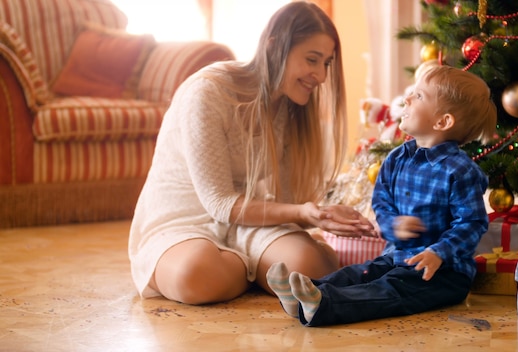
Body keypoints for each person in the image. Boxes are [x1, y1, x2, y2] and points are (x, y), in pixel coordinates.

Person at [128, 1, 376, 305]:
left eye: (326, 63)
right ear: (274, 47)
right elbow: (220, 203)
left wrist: (321, 213)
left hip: (247, 223)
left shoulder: (290, 105)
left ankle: (243, 269)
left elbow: (287, 202)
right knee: (196, 275)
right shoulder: (207, 92)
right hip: (183, 220)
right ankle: (252, 272)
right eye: (312, 60)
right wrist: (303, 212)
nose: (322, 76)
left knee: (312, 268)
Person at [267, 60, 498, 326]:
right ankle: (303, 294)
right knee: (360, 273)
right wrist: (393, 225)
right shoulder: (397, 158)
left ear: (443, 121)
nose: (408, 98)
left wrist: (439, 252)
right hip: (395, 257)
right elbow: (382, 202)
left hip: (440, 273)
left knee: (390, 289)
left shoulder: (461, 171)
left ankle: (323, 304)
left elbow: (472, 223)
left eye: (419, 95)